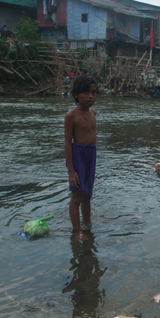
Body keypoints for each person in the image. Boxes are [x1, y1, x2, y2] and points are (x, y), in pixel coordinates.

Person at [64, 75, 98, 235]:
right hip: (78, 154)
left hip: (91, 154)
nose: (91, 96)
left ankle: (87, 223)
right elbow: (67, 143)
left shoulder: (93, 113)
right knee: (77, 195)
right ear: (76, 95)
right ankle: (77, 232)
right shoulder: (71, 115)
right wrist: (71, 170)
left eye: (93, 92)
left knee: (87, 195)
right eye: (86, 92)